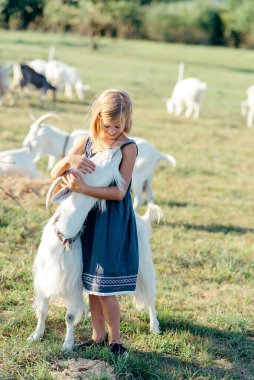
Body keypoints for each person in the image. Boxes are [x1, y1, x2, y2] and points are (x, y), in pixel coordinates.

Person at [51, 89, 139, 357]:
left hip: (110, 220)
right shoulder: (87, 141)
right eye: (107, 125)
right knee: (90, 281)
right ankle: (97, 335)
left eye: (118, 126)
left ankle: (116, 340)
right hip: (85, 219)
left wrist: (82, 187)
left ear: (127, 121)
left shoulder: (128, 147)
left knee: (104, 285)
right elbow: (55, 173)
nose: (112, 131)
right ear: (97, 117)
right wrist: (69, 160)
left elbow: (120, 192)